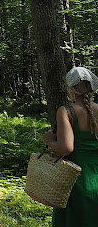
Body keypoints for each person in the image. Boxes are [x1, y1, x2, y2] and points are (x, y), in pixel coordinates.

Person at [42, 66, 98, 226]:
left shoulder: (66, 111)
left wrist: (50, 141)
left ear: (70, 89)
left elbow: (66, 148)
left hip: (76, 182)